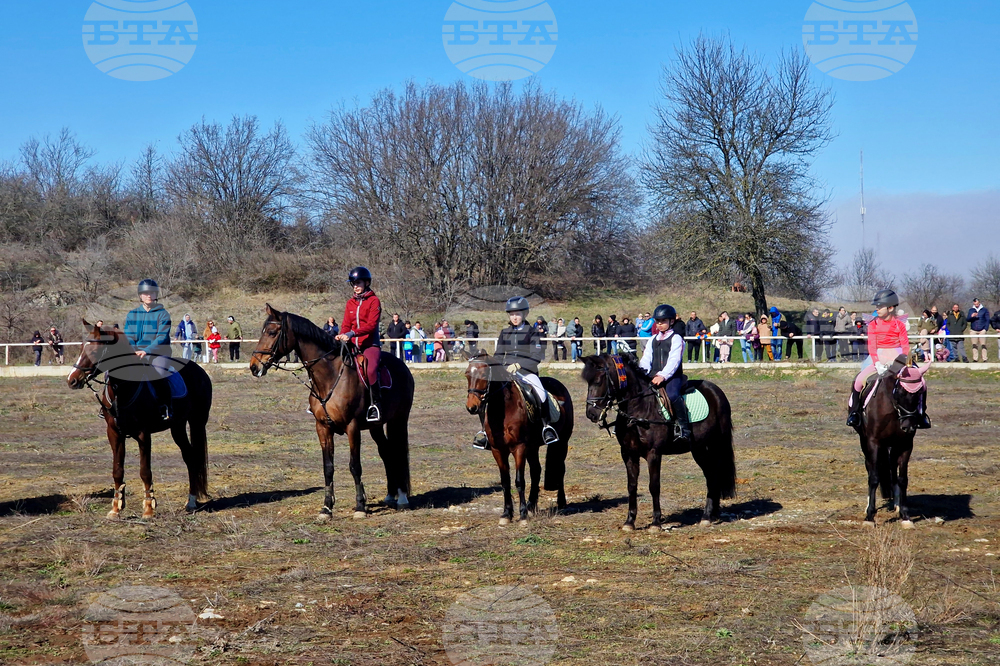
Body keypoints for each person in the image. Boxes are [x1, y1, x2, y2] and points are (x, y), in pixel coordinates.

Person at [482, 295, 559, 448]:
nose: (515, 317)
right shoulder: (505, 332)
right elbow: (499, 355)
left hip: (527, 372)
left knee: (541, 393)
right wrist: (498, 366)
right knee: (487, 393)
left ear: (525, 314)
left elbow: (537, 356)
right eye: (512, 314)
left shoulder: (533, 332)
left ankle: (546, 427)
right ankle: (484, 432)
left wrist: (519, 365)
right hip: (507, 372)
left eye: (517, 314)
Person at [847, 289, 929, 428]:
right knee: (859, 381)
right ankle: (855, 413)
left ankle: (921, 414)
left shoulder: (899, 324)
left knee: (922, 382)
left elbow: (905, 346)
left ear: (890, 308)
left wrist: (902, 362)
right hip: (878, 355)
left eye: (880, 306)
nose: (877, 309)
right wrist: (877, 363)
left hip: (898, 356)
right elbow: (872, 346)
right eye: (877, 306)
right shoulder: (873, 324)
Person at [332, 267, 384, 421]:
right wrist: (342, 334)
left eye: (358, 283)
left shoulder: (374, 301)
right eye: (353, 283)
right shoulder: (350, 303)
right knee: (331, 363)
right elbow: (346, 324)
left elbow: (371, 325)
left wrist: (352, 333)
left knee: (371, 370)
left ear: (367, 283)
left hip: (369, 344)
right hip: (351, 343)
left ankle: (375, 405)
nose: (355, 286)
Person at [123, 279, 178, 421]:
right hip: (135, 352)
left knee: (159, 373)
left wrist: (146, 350)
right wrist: (133, 350)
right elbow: (128, 335)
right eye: (145, 293)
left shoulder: (163, 314)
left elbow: (161, 337)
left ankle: (165, 406)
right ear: (140, 295)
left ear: (156, 295)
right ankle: (110, 406)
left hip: (158, 353)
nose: (148, 295)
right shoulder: (132, 314)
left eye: (152, 293)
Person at [638, 304, 692, 445]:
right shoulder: (652, 339)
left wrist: (663, 375)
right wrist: (641, 372)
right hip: (653, 376)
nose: (660, 324)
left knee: (672, 395)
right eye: (658, 321)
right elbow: (646, 358)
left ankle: (684, 428)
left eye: (663, 321)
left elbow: (674, 360)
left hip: (672, 377)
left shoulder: (677, 339)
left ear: (671, 321)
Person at [968, 298, 991, 362]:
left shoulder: (984, 310)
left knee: (983, 344)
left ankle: (985, 358)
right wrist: (972, 316)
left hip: (982, 330)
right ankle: (975, 358)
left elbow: (987, 320)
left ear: (979, 303)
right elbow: (968, 319)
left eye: (977, 304)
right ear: (973, 303)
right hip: (973, 330)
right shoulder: (971, 310)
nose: (976, 305)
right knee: (974, 344)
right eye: (975, 304)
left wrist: (985, 329)